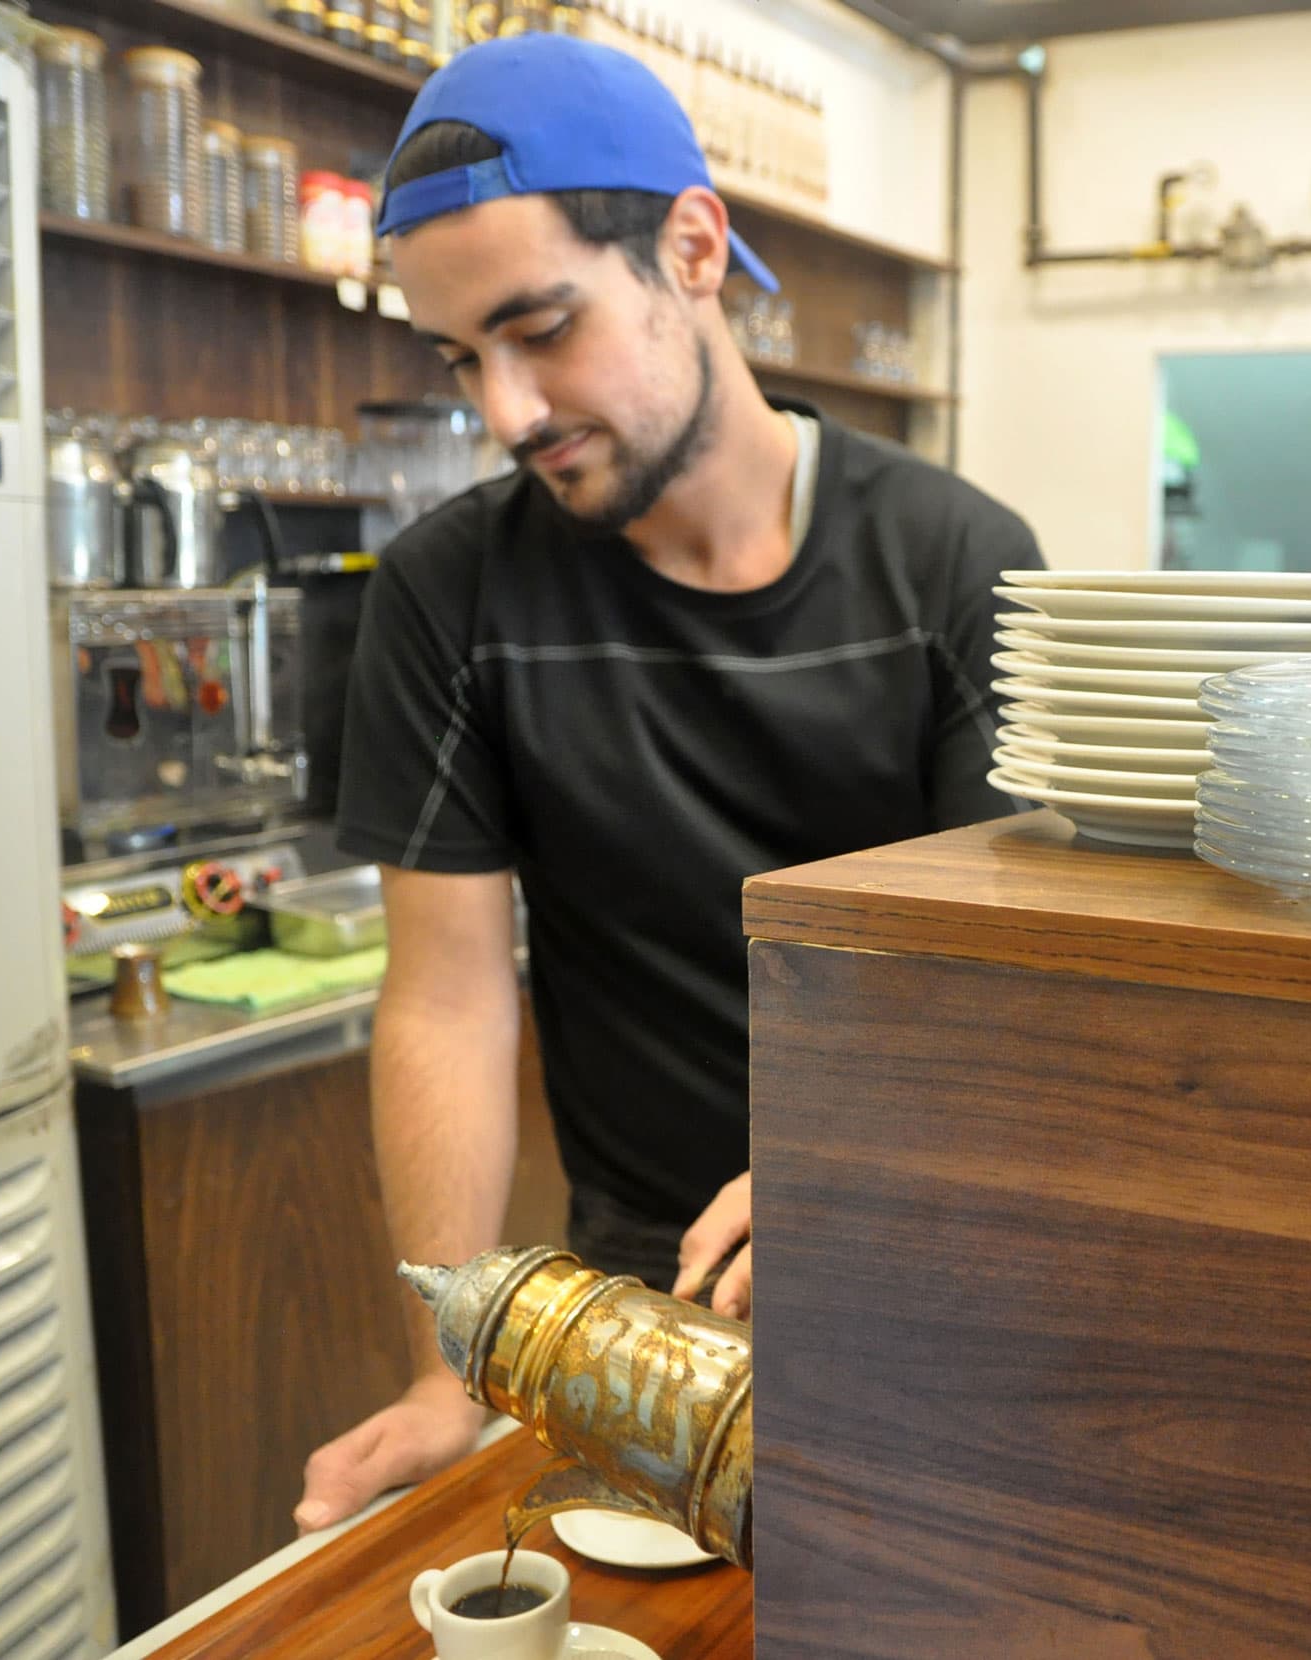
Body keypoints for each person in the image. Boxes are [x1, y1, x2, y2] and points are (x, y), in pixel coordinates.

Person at [292, 33, 1041, 1533]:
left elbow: (1015, 981)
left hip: (934, 1248)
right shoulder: (451, 593)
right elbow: (445, 994)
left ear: (691, 249)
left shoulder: (957, 562)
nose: (505, 410)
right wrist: (454, 1365)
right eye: (461, 359)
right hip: (635, 1299)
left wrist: (851, 1158)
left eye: (542, 328)